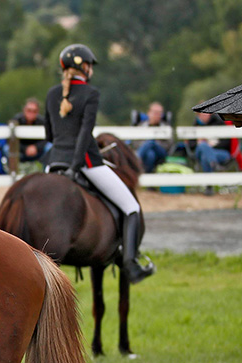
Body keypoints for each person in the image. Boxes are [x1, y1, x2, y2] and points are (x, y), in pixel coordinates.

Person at [44, 44, 155, 284]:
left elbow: (50, 136)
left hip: (53, 164)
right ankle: (131, 264)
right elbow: (85, 135)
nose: (91, 69)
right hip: (85, 163)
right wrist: (77, 164)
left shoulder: (53, 93)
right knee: (131, 207)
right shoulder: (90, 94)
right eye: (89, 65)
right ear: (83, 67)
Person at [135, 102, 171, 173]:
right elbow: (135, 142)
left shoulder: (166, 127)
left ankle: (136, 159)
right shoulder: (141, 126)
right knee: (150, 155)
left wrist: (155, 143)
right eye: (155, 113)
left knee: (151, 143)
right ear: (149, 113)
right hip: (146, 151)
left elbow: (169, 144)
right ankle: (148, 175)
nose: (157, 115)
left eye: (159, 113)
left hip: (161, 151)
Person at [10, 98, 49, 162]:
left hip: (37, 150)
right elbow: (10, 140)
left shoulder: (42, 122)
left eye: (34, 111)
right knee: (7, 149)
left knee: (49, 147)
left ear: (37, 112)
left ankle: (47, 170)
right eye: (29, 110)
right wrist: (25, 148)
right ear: (24, 110)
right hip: (21, 150)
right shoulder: (16, 121)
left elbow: (47, 138)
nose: (31, 113)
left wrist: (36, 147)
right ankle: (11, 170)